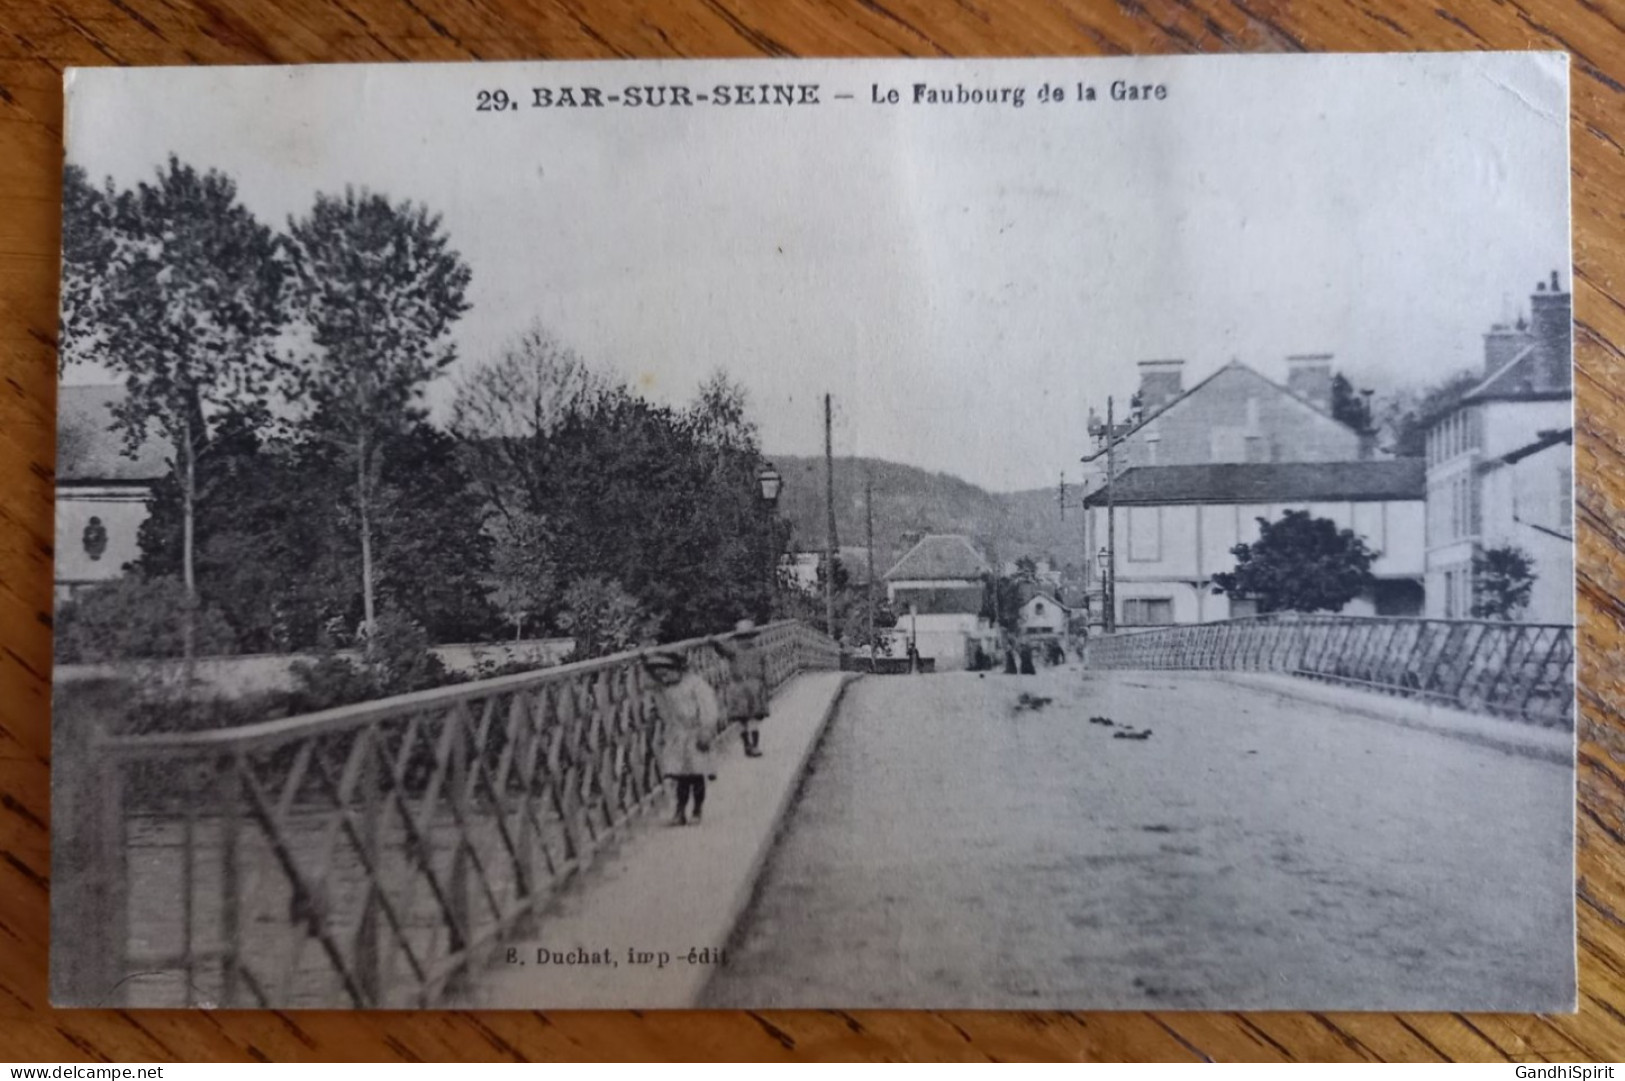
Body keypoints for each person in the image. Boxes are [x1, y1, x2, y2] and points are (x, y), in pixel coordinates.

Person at [644, 649, 721, 826]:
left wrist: (707, 729)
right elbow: (660, 704)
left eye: (666, 674)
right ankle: (680, 810)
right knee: (680, 777)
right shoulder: (664, 689)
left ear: (678, 669)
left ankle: (697, 808)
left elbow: (708, 706)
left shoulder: (695, 684)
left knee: (696, 775)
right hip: (677, 736)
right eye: (660, 676)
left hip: (696, 733)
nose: (664, 679)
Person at [715, 619, 770, 758]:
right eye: (741, 638)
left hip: (754, 687)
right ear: (736, 639)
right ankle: (747, 745)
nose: (744, 641)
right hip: (738, 687)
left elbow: (765, 669)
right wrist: (713, 642)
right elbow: (722, 650)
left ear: (753, 638)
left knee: (753, 720)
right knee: (742, 719)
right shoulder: (733, 651)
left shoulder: (759, 651)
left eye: (747, 638)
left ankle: (755, 746)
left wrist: (767, 685)